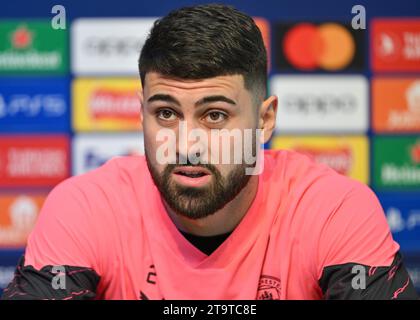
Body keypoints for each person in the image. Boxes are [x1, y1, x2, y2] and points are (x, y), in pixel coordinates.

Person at [2, 4, 418, 300]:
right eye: (165, 113)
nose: (187, 143)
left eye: (215, 116)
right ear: (141, 113)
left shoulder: (333, 209)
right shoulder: (85, 208)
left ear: (265, 119)